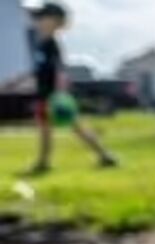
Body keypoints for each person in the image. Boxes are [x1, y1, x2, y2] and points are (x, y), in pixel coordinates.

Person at [22, 4, 118, 176]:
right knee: (46, 130)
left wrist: (59, 95)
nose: (37, 22)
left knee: (75, 126)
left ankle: (105, 155)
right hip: (43, 94)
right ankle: (44, 162)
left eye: (42, 18)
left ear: (55, 22)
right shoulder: (40, 44)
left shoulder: (52, 45)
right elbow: (38, 72)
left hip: (55, 96)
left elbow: (59, 71)